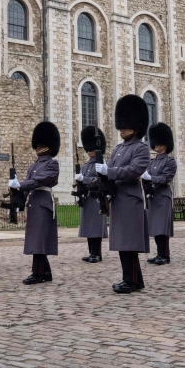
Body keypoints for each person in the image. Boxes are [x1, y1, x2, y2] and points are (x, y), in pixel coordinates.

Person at [96, 95, 151, 294]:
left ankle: (131, 279)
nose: (122, 130)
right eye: (121, 126)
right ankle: (134, 280)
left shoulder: (141, 149)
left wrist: (108, 172)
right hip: (118, 198)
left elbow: (134, 170)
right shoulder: (118, 149)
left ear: (136, 127)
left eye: (126, 126)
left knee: (129, 242)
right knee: (122, 242)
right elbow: (110, 171)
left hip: (130, 198)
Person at [11, 122, 60, 284]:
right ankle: (46, 273)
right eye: (37, 144)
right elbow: (27, 184)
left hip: (43, 203)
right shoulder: (33, 165)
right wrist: (18, 200)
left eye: (42, 144)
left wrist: (22, 185)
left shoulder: (52, 163)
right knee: (36, 238)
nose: (38, 147)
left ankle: (37, 273)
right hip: (33, 203)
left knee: (38, 239)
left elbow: (40, 180)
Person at [144, 123, 177, 265]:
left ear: (165, 144)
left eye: (160, 143)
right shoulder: (151, 163)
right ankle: (159, 254)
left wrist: (151, 178)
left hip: (163, 197)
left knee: (162, 227)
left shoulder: (170, 161)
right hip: (152, 197)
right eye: (155, 143)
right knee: (155, 227)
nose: (157, 145)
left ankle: (165, 255)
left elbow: (166, 178)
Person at [76, 126, 107, 263]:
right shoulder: (86, 165)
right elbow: (82, 181)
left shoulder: (101, 163)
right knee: (89, 228)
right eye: (88, 149)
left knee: (95, 228)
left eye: (91, 149)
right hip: (87, 199)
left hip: (96, 198)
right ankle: (91, 252)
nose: (89, 151)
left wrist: (85, 180)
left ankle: (97, 253)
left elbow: (99, 180)